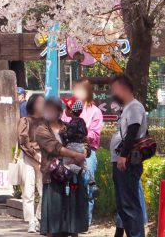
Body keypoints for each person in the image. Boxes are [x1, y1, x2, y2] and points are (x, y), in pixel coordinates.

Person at [35, 97, 89, 237]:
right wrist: (74, 154)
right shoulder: (41, 129)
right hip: (53, 176)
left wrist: (84, 151)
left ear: (60, 111)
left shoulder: (69, 125)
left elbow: (84, 141)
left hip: (72, 176)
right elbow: (54, 147)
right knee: (53, 224)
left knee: (72, 220)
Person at [109, 74, 148, 237]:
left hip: (128, 162)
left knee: (130, 205)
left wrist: (123, 155)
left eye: (114, 90)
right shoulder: (127, 108)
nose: (113, 94)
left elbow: (132, 132)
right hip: (121, 161)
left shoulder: (134, 107)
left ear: (124, 89)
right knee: (123, 205)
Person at [63, 77, 104, 225]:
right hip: (68, 152)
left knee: (86, 186)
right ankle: (71, 220)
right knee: (69, 183)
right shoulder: (68, 109)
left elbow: (95, 134)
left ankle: (85, 221)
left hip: (87, 152)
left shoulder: (95, 111)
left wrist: (81, 137)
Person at [17, 93, 45, 234]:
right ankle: (31, 222)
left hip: (43, 158)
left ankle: (38, 217)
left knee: (44, 190)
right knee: (28, 191)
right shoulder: (25, 121)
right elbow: (23, 142)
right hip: (29, 158)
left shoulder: (46, 121)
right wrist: (36, 156)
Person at [60, 98, 88, 177]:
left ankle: (79, 171)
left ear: (70, 111)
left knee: (65, 164)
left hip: (73, 146)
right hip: (81, 146)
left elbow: (68, 134)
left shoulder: (73, 123)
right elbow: (85, 132)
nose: (65, 109)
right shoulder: (82, 121)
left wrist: (62, 132)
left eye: (66, 107)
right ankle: (90, 179)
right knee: (83, 164)